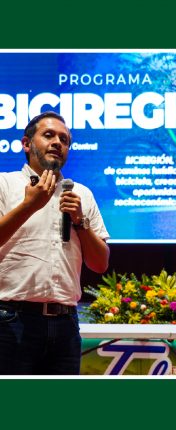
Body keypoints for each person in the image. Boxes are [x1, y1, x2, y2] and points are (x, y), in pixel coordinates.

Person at [0, 111, 110, 375]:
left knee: (61, 402)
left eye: (64, 139)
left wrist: (80, 221)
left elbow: (100, 264)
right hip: (11, 320)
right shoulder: (4, 184)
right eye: (48, 135)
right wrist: (29, 205)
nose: (57, 143)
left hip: (66, 324)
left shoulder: (81, 194)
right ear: (26, 144)